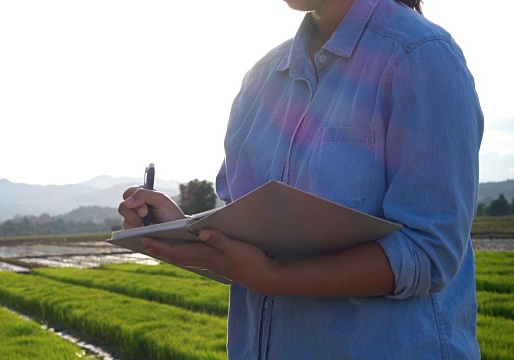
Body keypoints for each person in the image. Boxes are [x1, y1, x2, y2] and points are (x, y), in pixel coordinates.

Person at [119, 0, 483, 358]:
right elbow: (250, 240)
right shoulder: (262, 78)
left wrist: (274, 278)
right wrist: (182, 228)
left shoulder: (420, 56)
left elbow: (429, 252)